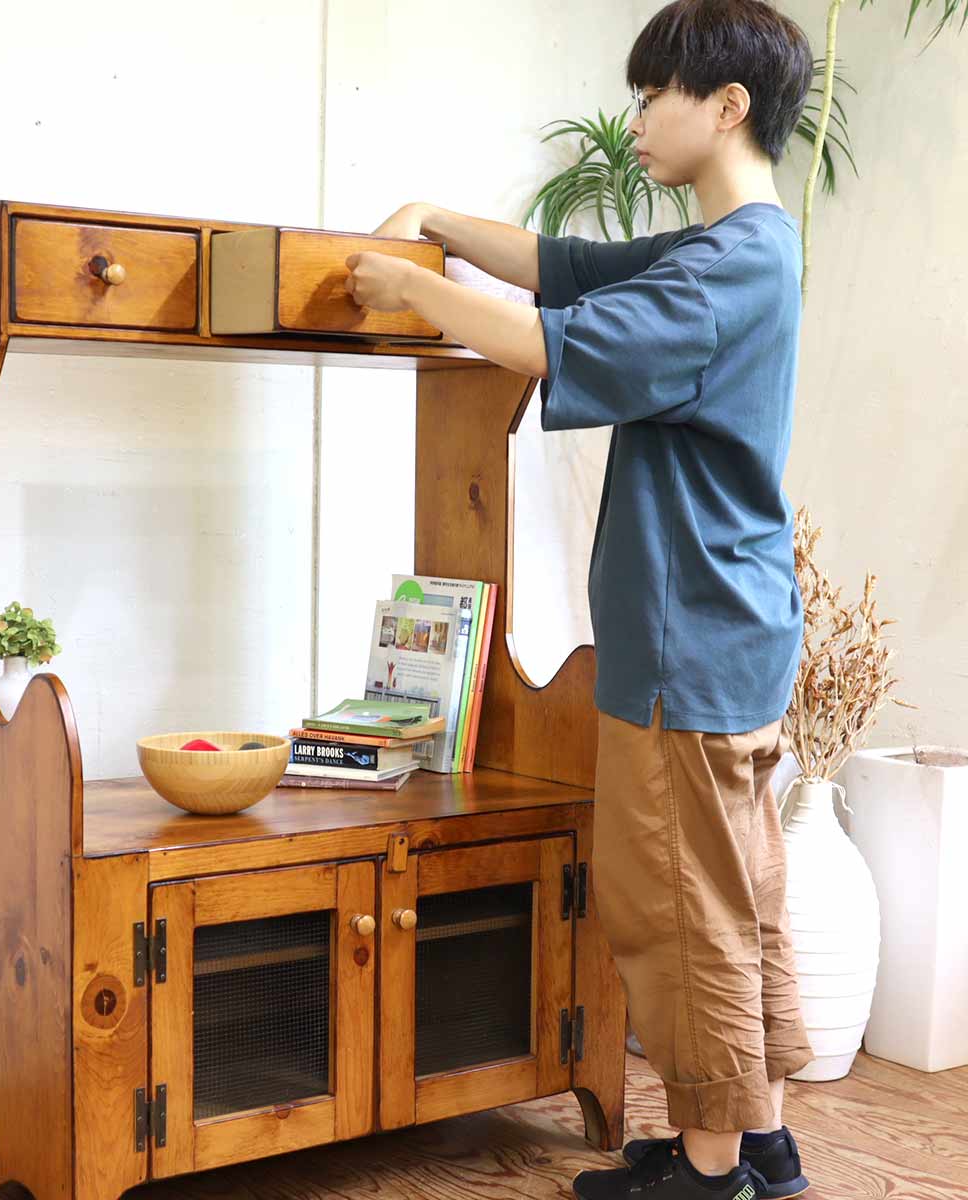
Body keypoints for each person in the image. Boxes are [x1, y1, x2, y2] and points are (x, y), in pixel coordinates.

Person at [346, 2, 816, 1197]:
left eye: (657, 94)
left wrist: (402, 284)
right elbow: (560, 270)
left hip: (684, 642)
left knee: (679, 915)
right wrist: (437, 220)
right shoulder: (745, 248)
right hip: (731, 629)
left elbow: (546, 340)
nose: (638, 118)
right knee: (737, 900)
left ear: (728, 107)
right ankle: (757, 1144)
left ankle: (708, 1173)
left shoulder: (723, 268)